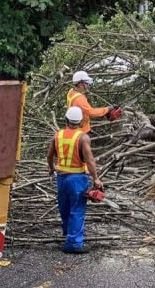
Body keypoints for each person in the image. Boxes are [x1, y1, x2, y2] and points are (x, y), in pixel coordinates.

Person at [47, 106, 103, 254]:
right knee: (77, 210)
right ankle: (74, 244)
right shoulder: (83, 137)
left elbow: (49, 156)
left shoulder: (57, 135)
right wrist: (96, 179)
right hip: (78, 179)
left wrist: (52, 168)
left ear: (66, 119)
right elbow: (90, 160)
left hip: (61, 178)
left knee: (64, 208)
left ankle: (68, 233)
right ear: (81, 121)